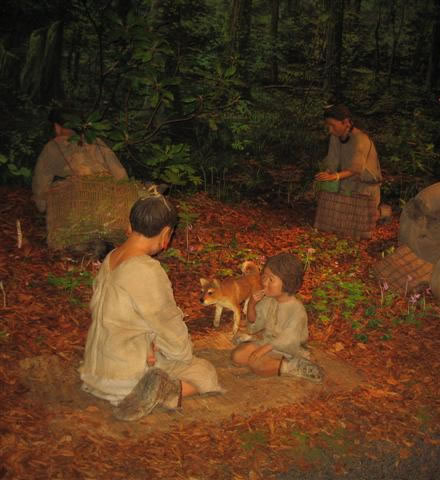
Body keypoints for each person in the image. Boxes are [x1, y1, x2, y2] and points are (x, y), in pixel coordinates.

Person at [79, 194, 223, 421]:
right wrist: (184, 355)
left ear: (129, 226)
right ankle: (161, 392)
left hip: (94, 372)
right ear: (166, 235)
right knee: (204, 372)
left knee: (159, 349)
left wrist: (151, 343)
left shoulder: (111, 258)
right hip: (126, 379)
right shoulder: (146, 270)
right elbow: (167, 324)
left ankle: (148, 387)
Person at [230, 253, 324, 383]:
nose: (264, 282)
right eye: (264, 277)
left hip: (289, 349)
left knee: (258, 366)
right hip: (268, 343)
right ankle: (269, 360)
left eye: (271, 280)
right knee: (237, 356)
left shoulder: (296, 309)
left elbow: (289, 339)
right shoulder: (269, 300)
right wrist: (252, 303)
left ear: (287, 282)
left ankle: (292, 366)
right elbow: (253, 322)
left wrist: (262, 350)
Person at [32, 109, 128, 213]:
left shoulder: (53, 147)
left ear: (57, 127)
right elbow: (120, 174)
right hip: (107, 202)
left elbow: (40, 183)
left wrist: (42, 206)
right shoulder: (95, 141)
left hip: (79, 206)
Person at [314, 104, 383, 208]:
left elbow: (356, 169)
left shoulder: (360, 139)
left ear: (346, 122)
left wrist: (335, 176)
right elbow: (332, 161)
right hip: (346, 186)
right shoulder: (335, 137)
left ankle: (380, 212)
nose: (330, 130)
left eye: (332, 125)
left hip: (365, 189)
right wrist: (326, 174)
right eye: (328, 126)